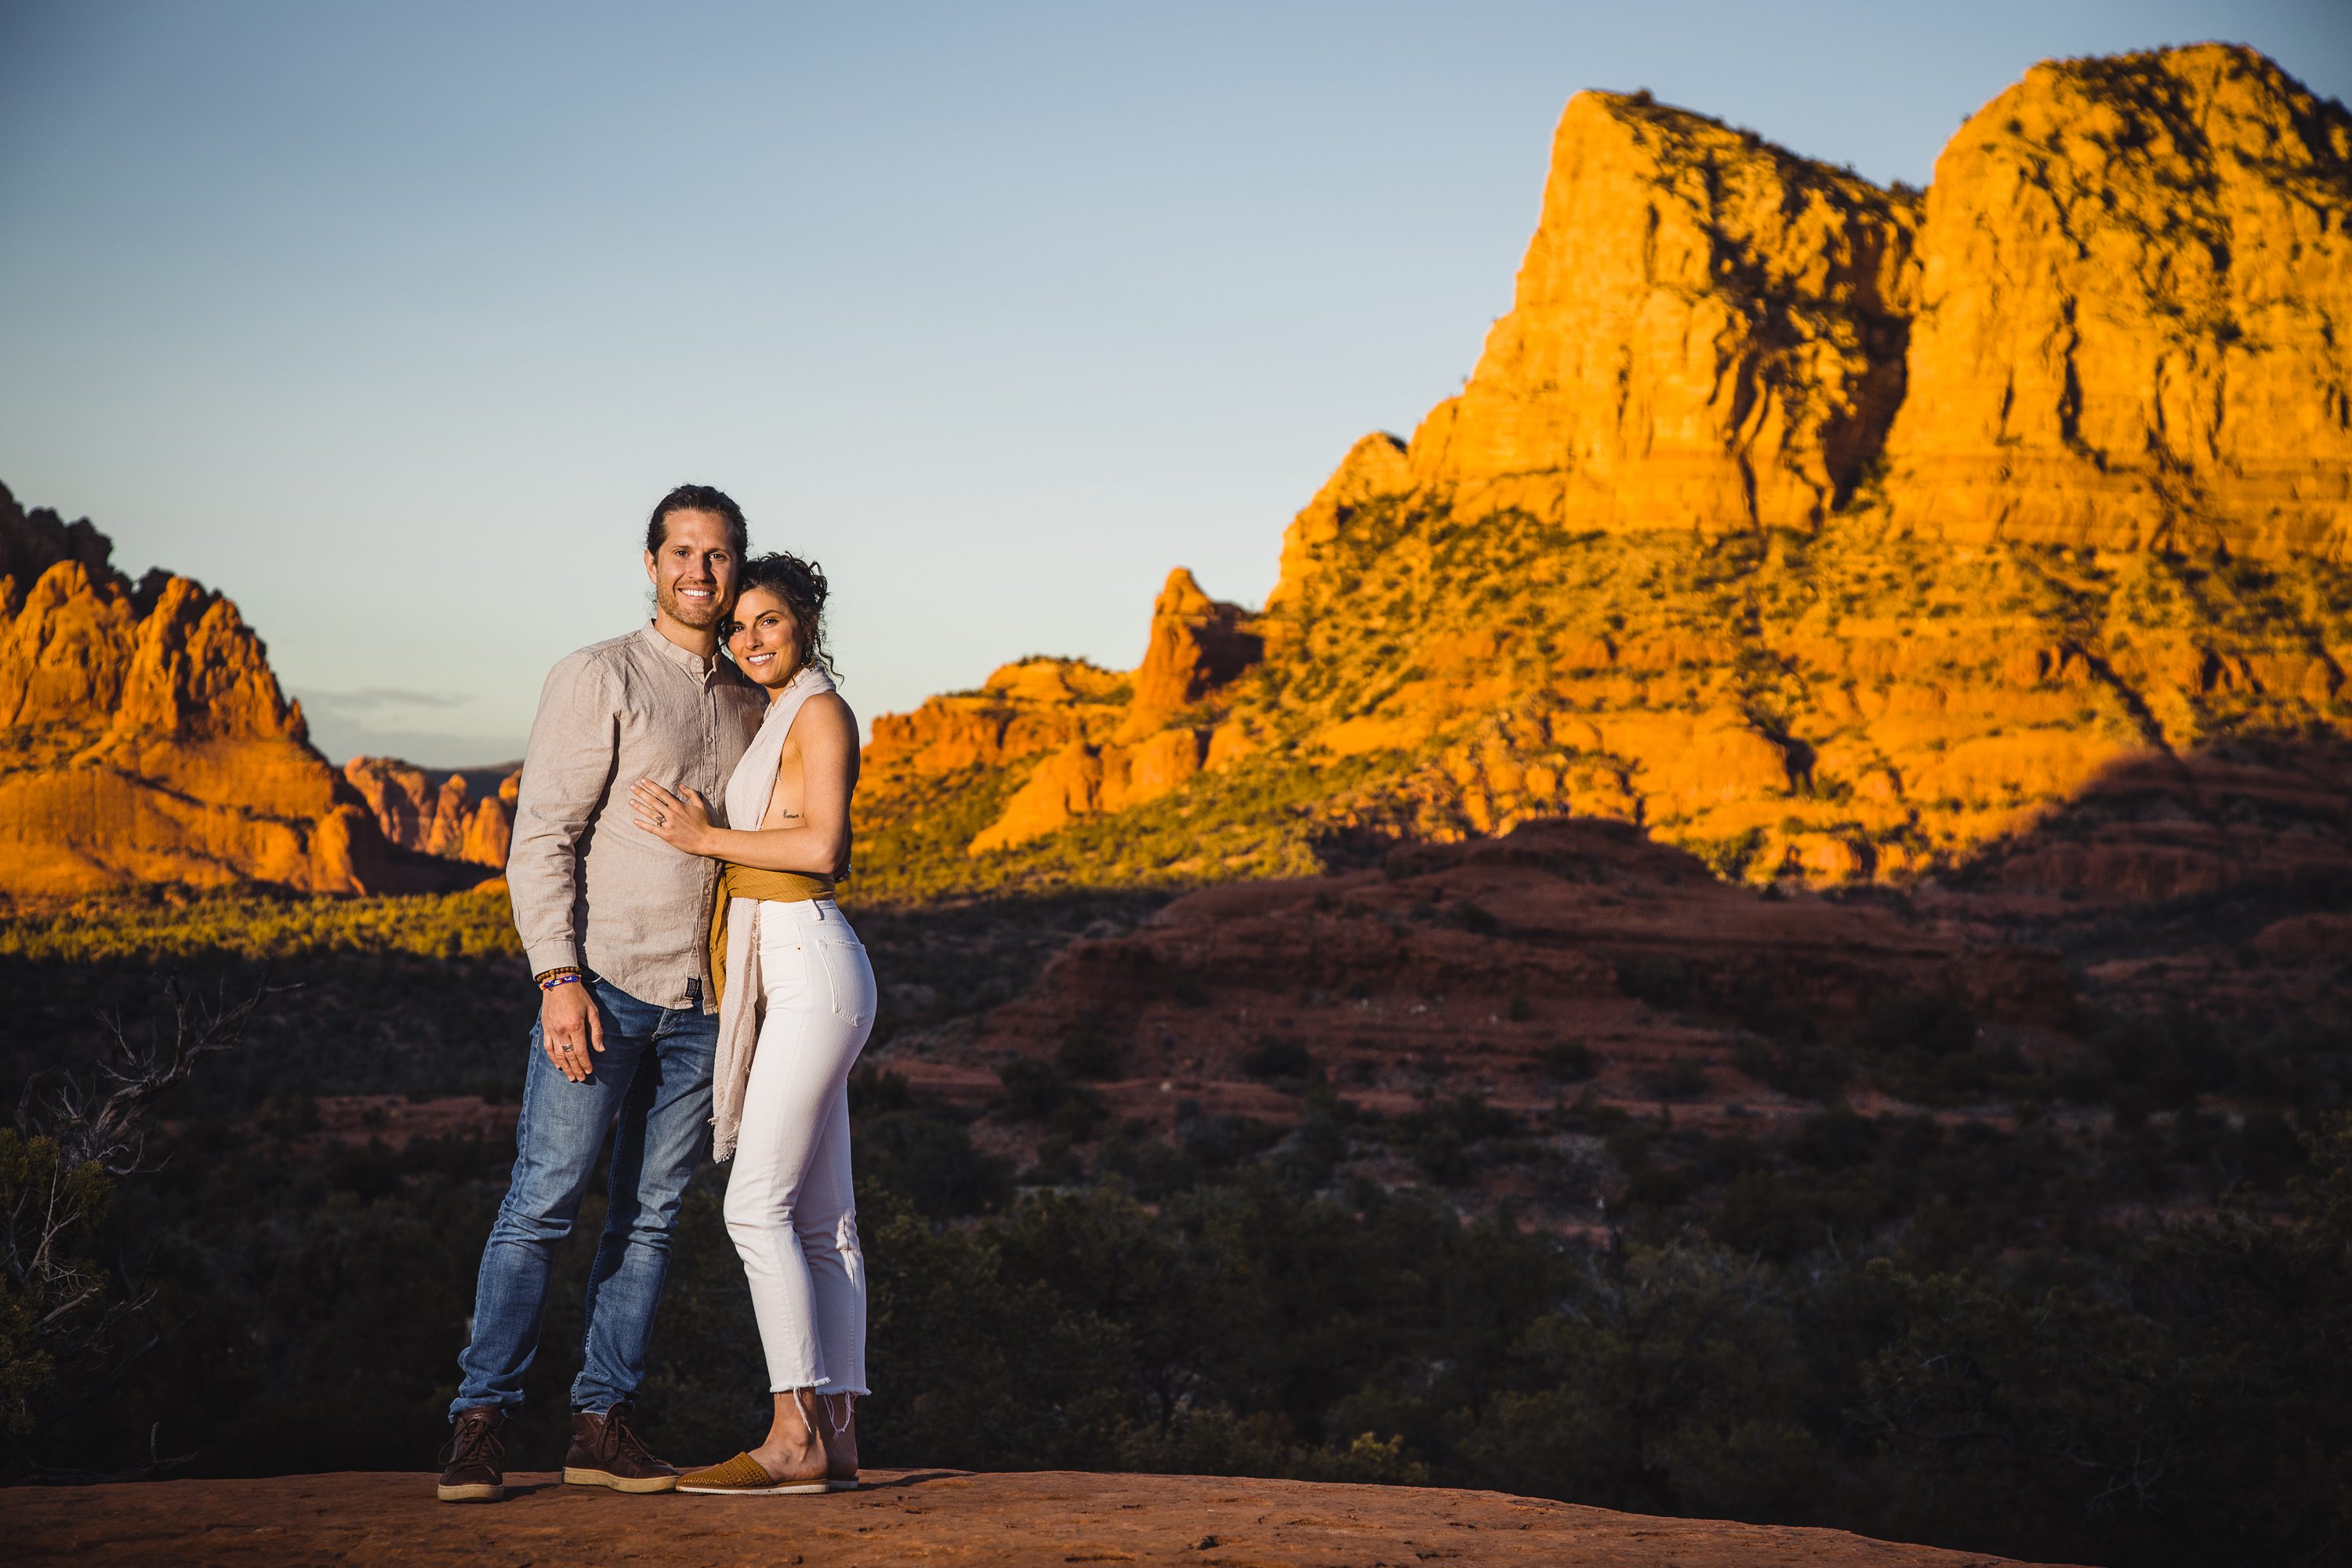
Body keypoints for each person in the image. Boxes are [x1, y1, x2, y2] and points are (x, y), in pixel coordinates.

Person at [436, 485, 767, 1504]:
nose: (699, 572)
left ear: (735, 570)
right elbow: (542, 839)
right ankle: (481, 1422)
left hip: (701, 1005)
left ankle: (599, 1424)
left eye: (717, 557)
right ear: (650, 561)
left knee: (652, 1219)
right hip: (604, 988)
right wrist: (557, 979)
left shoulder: (753, 699)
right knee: (540, 1207)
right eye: (683, 552)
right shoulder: (599, 674)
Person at [628, 550, 873, 1496]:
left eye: (767, 618)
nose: (749, 637)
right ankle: (840, 1436)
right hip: (787, 963)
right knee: (822, 1216)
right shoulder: (778, 713)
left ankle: (792, 1434)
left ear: (805, 620)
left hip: (808, 955)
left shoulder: (818, 710)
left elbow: (822, 844)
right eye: (738, 625)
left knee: (751, 1203)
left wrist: (704, 837)